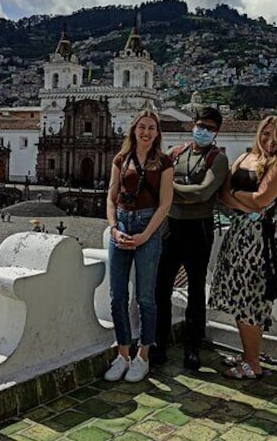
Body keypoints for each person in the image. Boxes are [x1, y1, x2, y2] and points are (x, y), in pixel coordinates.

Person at [209, 115, 277, 379]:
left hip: (259, 240)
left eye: (276, 136)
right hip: (238, 234)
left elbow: (262, 199)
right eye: (265, 134)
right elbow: (222, 194)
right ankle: (248, 355)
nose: (270, 140)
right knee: (238, 296)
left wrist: (239, 199)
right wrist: (247, 203)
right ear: (258, 133)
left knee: (251, 300)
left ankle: (252, 364)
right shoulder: (244, 159)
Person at [154, 106, 229, 369]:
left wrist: (170, 188)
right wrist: (180, 192)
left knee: (196, 290)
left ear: (216, 131)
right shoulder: (177, 153)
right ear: (192, 125)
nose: (203, 130)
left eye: (209, 127)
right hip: (170, 227)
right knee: (160, 288)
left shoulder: (217, 159)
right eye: (200, 125)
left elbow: (203, 193)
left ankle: (192, 347)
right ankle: (158, 344)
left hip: (199, 229)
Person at [104, 110, 174, 383]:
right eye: (142, 127)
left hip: (148, 227)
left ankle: (143, 355)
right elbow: (111, 197)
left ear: (157, 133)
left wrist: (146, 235)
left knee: (146, 297)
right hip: (121, 225)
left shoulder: (164, 162)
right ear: (133, 130)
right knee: (117, 295)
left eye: (151, 128)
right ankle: (123, 354)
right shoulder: (121, 159)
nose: (146, 132)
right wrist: (113, 228)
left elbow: (165, 204)